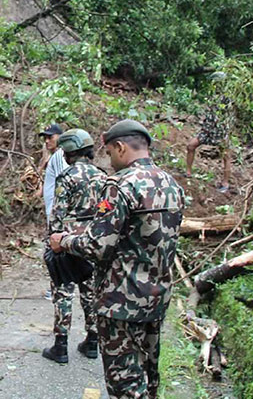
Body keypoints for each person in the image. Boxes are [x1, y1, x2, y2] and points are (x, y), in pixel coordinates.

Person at [51, 119, 185, 399]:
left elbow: (97, 246)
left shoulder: (120, 185)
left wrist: (62, 241)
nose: (109, 160)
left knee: (125, 385)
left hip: (121, 302)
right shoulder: (171, 184)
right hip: (156, 298)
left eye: (110, 153)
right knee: (149, 379)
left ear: (121, 147)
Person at [42, 129, 107, 364]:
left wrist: (53, 241)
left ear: (69, 152)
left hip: (68, 242)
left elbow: (57, 214)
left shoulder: (67, 177)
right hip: (93, 242)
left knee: (63, 292)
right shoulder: (103, 177)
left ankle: (60, 346)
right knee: (91, 293)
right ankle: (92, 342)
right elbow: (106, 212)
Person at [39, 124, 67, 301]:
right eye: (45, 138)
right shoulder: (58, 156)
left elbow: (64, 183)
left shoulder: (59, 156)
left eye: (51, 137)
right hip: (55, 213)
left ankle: (58, 289)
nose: (47, 141)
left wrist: (58, 215)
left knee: (54, 253)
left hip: (57, 214)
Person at [186, 89, 233, 193]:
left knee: (226, 156)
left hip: (220, 131)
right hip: (207, 130)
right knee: (190, 146)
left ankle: (225, 183)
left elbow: (227, 115)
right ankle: (188, 172)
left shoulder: (227, 98)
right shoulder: (212, 96)